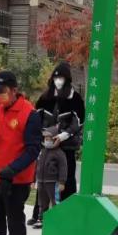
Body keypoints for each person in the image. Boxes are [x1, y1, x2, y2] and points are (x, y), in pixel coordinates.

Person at [0, 70, 41, 235]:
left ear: (14, 90)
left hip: (16, 181)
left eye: (1, 91)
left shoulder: (30, 114)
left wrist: (12, 169)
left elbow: (33, 150)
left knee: (15, 225)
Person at [29, 62, 85, 225]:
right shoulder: (45, 97)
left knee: (66, 179)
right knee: (44, 178)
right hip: (47, 143)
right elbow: (36, 117)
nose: (58, 80)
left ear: (67, 80)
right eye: (56, 77)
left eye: (61, 78)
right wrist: (43, 134)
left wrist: (63, 135)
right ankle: (39, 214)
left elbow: (79, 121)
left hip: (66, 145)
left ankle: (67, 215)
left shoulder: (75, 98)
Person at [33, 118, 68, 228]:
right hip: (41, 181)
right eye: (45, 138)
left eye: (49, 138)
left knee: (55, 201)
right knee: (42, 202)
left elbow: (63, 167)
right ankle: (41, 219)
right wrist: (34, 180)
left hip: (53, 182)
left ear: (55, 139)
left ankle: (57, 220)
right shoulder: (42, 151)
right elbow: (37, 166)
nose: (47, 140)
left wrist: (62, 182)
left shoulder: (59, 153)